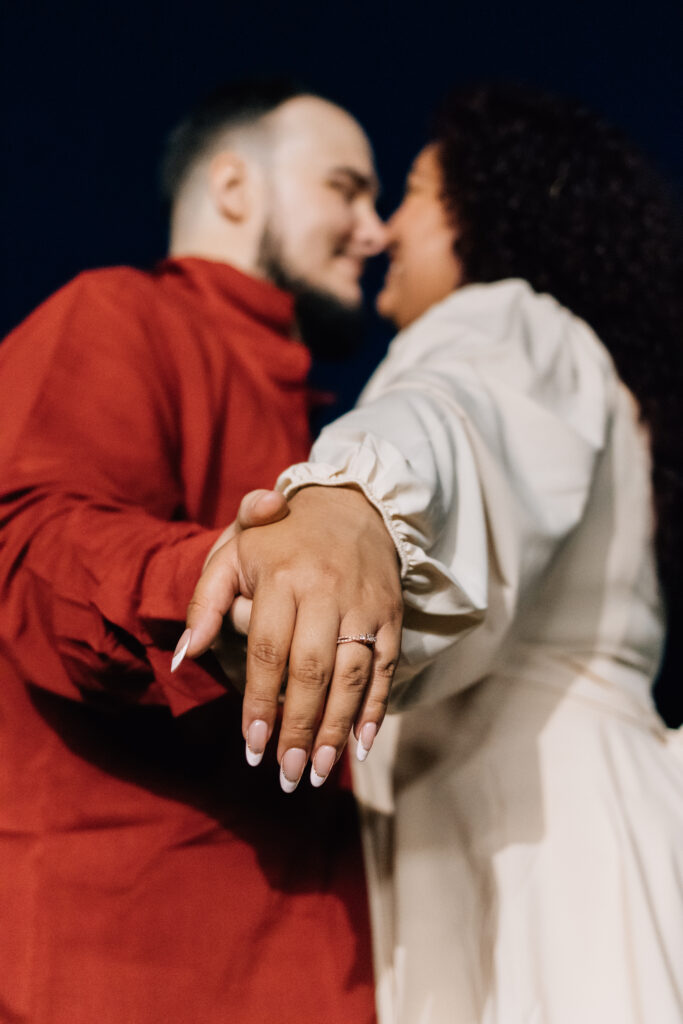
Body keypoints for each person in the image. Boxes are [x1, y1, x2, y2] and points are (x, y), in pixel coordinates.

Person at [185, 84, 683, 1022]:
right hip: (516, 829)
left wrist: (356, 503)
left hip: (544, 848)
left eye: (411, 192)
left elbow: (458, 417)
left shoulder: (503, 319)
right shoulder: (581, 363)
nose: (380, 232)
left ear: (485, 215)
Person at [0, 79, 388, 1023]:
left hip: (330, 968)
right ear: (232, 186)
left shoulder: (330, 430)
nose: (374, 232)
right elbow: (33, 544)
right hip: (132, 968)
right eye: (346, 188)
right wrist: (216, 585)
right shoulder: (114, 313)